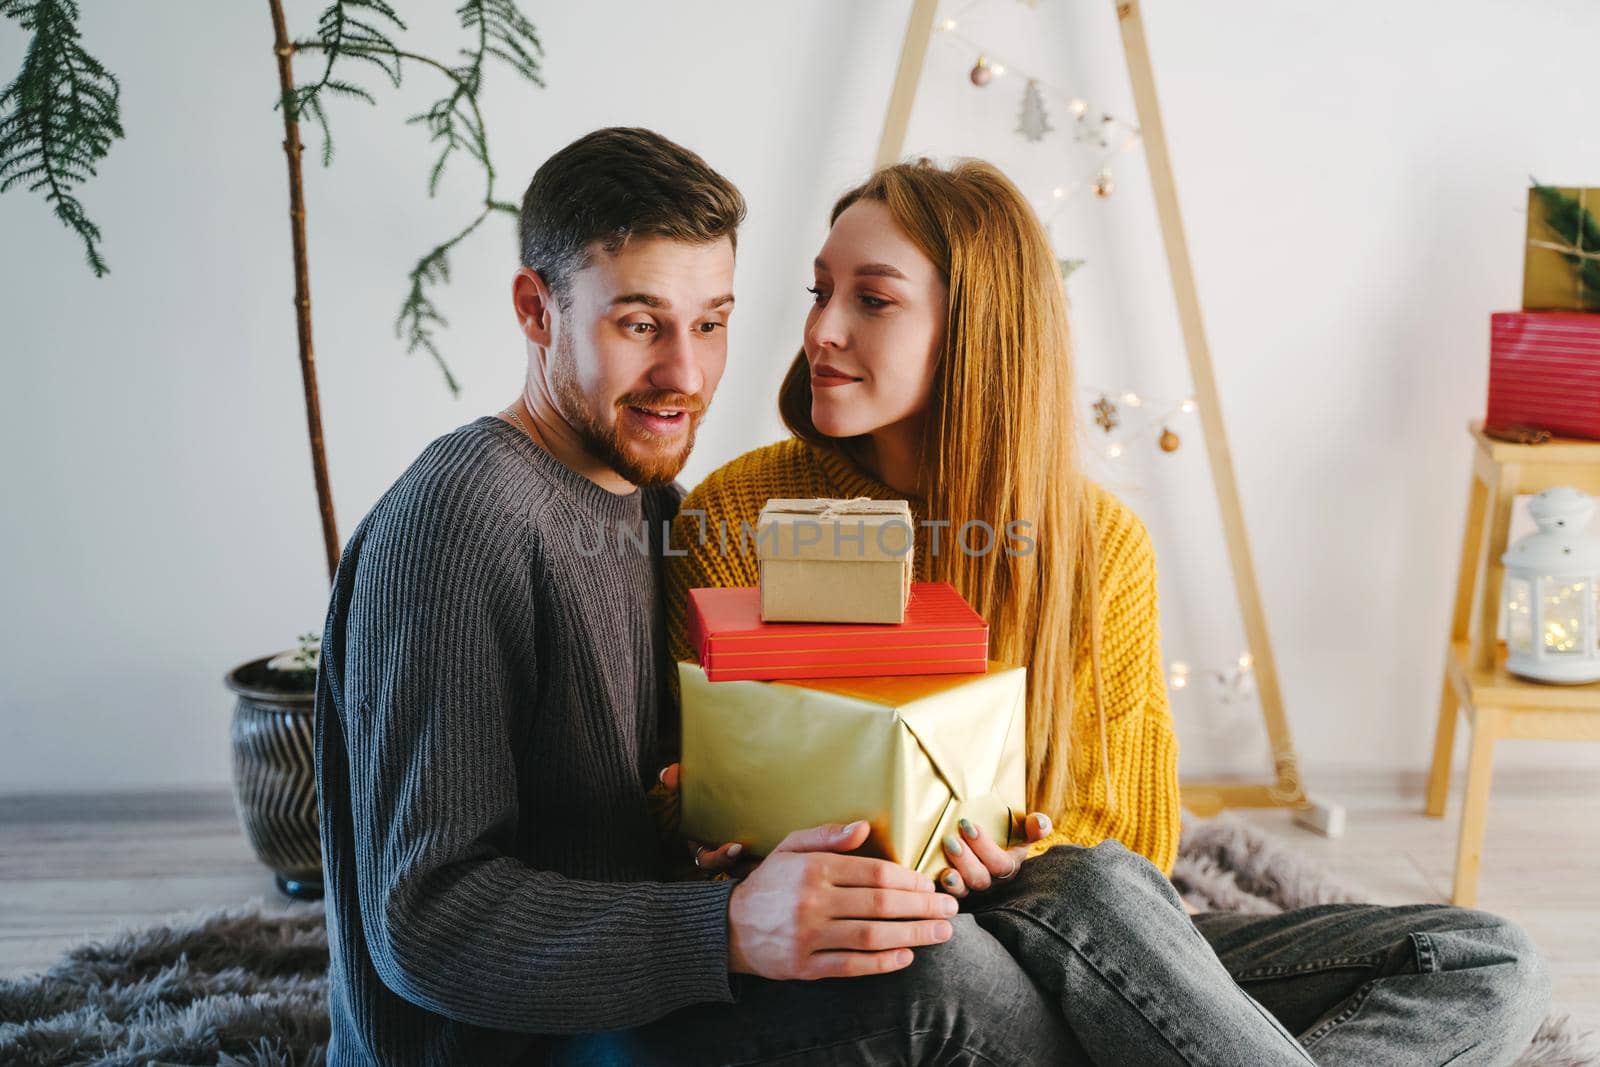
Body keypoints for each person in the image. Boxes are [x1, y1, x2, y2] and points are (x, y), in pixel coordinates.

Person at [662, 157, 1552, 1065]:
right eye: (819, 293)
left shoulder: (1099, 545)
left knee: (1488, 962)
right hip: (905, 955)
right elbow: (689, 790)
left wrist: (1019, 859)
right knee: (954, 952)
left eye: (872, 300)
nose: (822, 329)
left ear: (977, 331)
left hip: (1082, 943)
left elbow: (1136, 845)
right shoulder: (737, 518)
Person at [316, 127, 1068, 1067]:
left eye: (710, 323)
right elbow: (424, 921)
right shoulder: (460, 520)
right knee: (948, 980)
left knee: (1136, 907)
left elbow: (673, 806)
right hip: (524, 1048)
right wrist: (726, 927)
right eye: (640, 324)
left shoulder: (661, 512)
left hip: (655, 1008)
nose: (686, 373)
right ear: (536, 310)